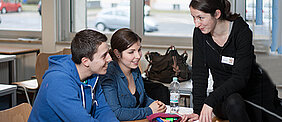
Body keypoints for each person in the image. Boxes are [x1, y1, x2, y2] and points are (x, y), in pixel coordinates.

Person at [181, 0, 282, 122]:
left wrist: (210, 101)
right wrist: (197, 110)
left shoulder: (241, 31)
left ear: (217, 14)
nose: (196, 24)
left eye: (200, 18)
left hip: (254, 96)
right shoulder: (200, 33)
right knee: (234, 101)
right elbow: (199, 74)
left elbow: (240, 78)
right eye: (193, 17)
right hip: (225, 99)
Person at [28, 29, 119, 122]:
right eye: (104, 55)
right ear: (85, 61)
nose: (110, 59)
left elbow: (102, 110)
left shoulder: (93, 74)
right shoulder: (58, 82)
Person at [100, 28, 167, 121]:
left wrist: (156, 104)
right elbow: (116, 113)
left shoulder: (134, 69)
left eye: (139, 50)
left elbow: (143, 98)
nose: (138, 56)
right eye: (131, 52)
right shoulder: (109, 74)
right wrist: (150, 110)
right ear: (117, 53)